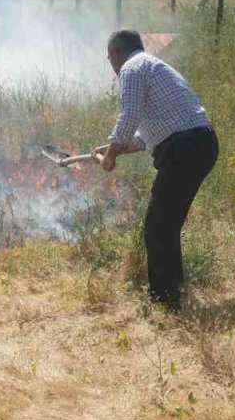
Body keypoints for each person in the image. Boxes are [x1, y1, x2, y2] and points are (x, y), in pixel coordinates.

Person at [93, 29, 218, 310]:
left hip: (185, 148)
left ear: (114, 54)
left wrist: (111, 153)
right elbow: (150, 134)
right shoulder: (152, 66)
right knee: (167, 224)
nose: (112, 66)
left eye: (109, 59)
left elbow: (129, 114)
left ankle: (165, 299)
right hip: (200, 143)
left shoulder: (132, 68)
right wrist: (117, 148)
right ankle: (174, 289)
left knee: (157, 227)